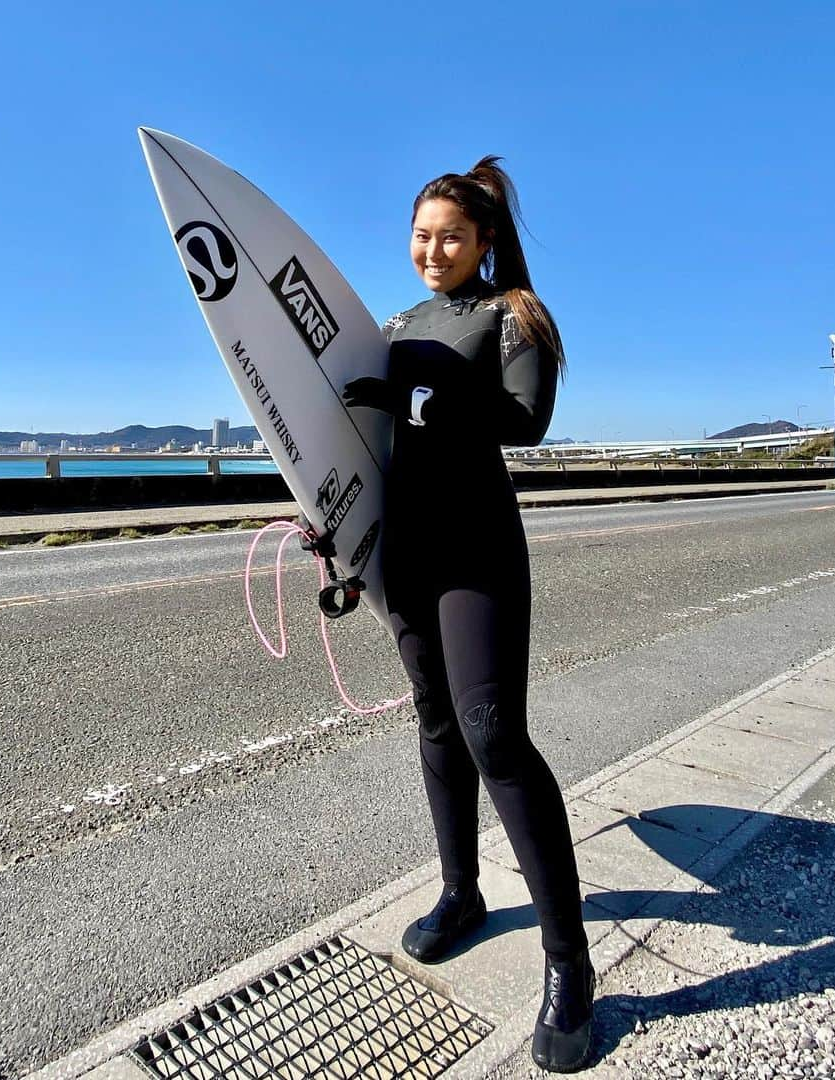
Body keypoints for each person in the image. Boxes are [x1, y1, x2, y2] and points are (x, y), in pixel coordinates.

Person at [340, 158, 594, 1073]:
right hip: (406, 550)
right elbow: (357, 441)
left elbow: (525, 420)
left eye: (450, 235)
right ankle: (462, 894)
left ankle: (570, 961)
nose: (431, 250)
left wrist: (420, 398)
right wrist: (322, 512)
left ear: (483, 239)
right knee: (437, 723)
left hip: (476, 547)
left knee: (495, 734)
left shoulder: (510, 316)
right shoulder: (393, 325)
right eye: (420, 235)